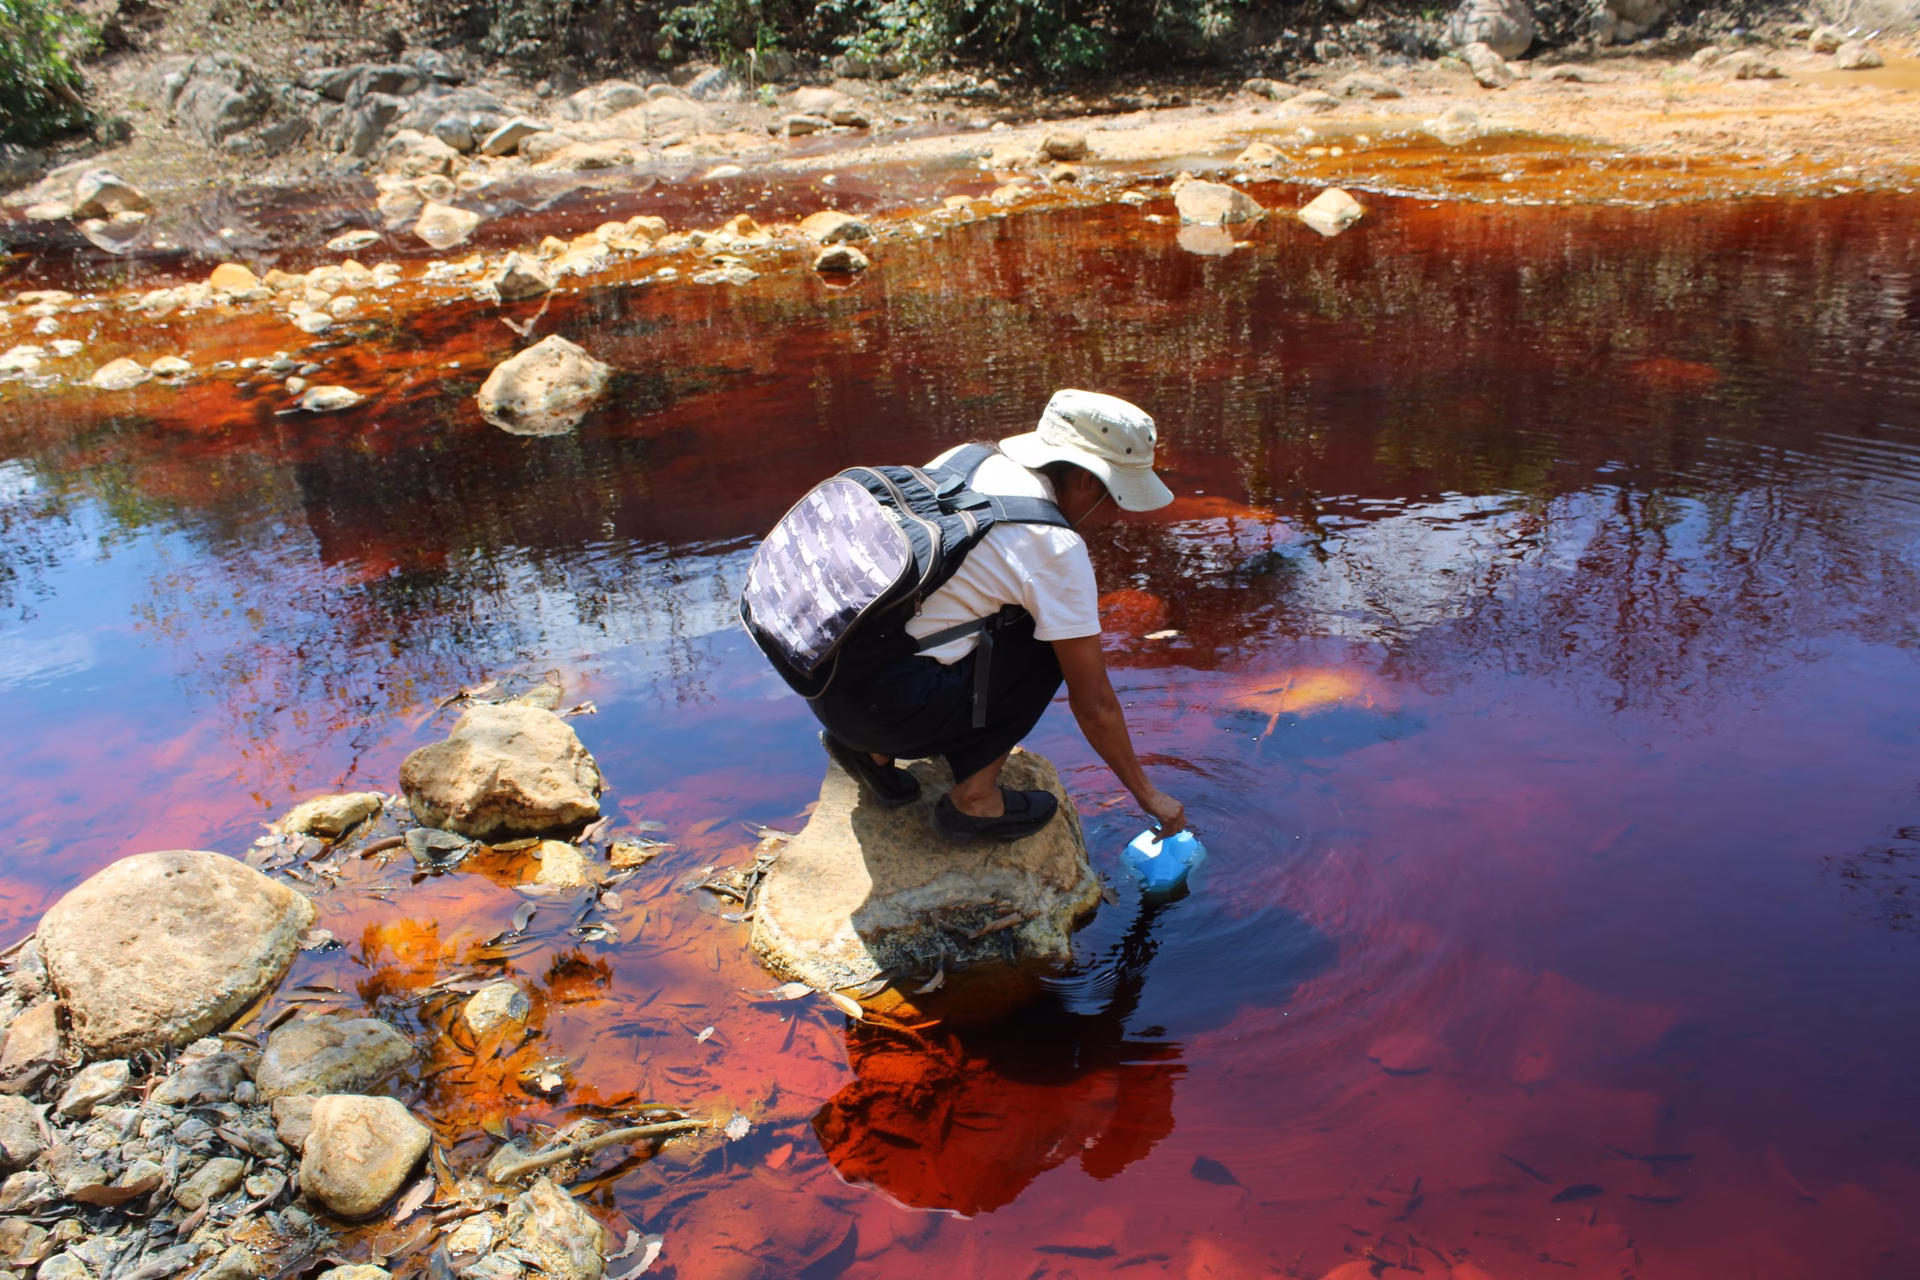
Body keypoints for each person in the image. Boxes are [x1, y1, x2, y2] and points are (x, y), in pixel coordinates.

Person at [810, 389, 1188, 844]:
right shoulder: (1053, 545)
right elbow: (1095, 703)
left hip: (828, 682)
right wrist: (1149, 796)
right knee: (1054, 641)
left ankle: (870, 754)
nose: (1112, 515)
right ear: (1088, 481)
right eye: (1115, 497)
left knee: (1003, 612)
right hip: (886, 710)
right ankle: (975, 800)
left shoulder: (966, 459)